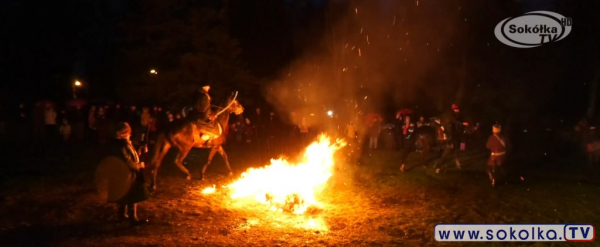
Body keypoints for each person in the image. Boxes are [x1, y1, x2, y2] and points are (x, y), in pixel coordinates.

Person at [100, 122, 149, 225]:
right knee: (131, 195)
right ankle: (133, 218)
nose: (130, 135)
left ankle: (122, 215)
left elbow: (131, 154)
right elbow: (127, 162)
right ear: (122, 134)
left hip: (126, 174)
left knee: (125, 194)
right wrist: (140, 165)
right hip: (125, 175)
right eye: (128, 133)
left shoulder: (124, 142)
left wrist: (139, 151)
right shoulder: (119, 145)